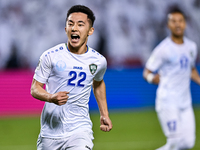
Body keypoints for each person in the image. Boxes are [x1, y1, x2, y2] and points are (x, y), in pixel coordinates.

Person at [31, 5, 112, 150]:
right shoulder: (50, 56)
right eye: (70, 24)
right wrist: (51, 97)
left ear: (90, 31)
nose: (74, 28)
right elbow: (35, 88)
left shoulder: (99, 61)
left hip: (80, 130)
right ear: (65, 29)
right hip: (50, 133)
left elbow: (98, 83)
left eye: (80, 24)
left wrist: (104, 114)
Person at [143, 7, 200, 150]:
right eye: (173, 21)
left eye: (180, 21)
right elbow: (147, 71)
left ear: (185, 23)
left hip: (185, 103)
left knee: (187, 143)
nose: (177, 24)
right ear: (168, 25)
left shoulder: (192, 47)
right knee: (174, 142)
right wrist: (151, 78)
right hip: (168, 100)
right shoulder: (163, 49)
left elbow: (190, 69)